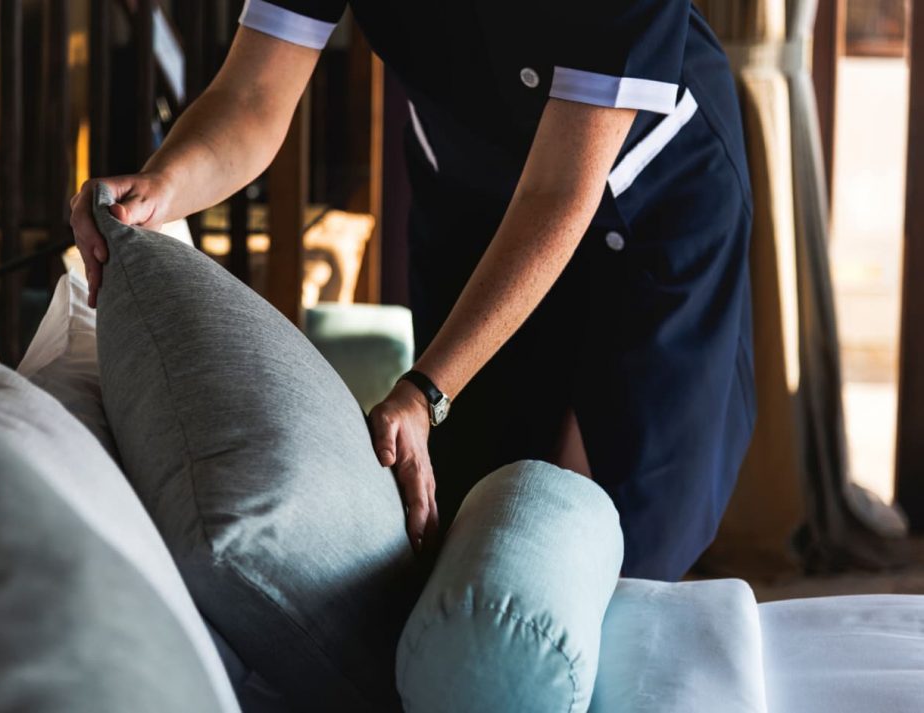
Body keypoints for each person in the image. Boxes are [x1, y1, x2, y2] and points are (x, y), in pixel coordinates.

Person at [70, 1, 755, 581]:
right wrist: (161, 189)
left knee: (606, 543)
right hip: (473, 204)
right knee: (468, 533)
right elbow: (251, 97)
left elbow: (557, 191)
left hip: (645, 209)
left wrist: (427, 391)